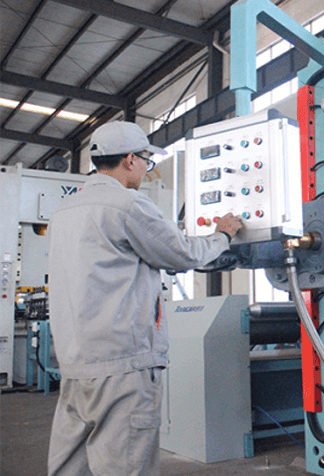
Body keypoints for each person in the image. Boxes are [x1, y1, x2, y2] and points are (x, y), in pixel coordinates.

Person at [46, 121, 242, 475]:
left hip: (75, 364)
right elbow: (183, 254)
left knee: (70, 468)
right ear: (131, 160)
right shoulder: (128, 204)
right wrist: (222, 236)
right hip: (123, 365)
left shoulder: (65, 210)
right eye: (147, 162)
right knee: (125, 465)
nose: (146, 170)